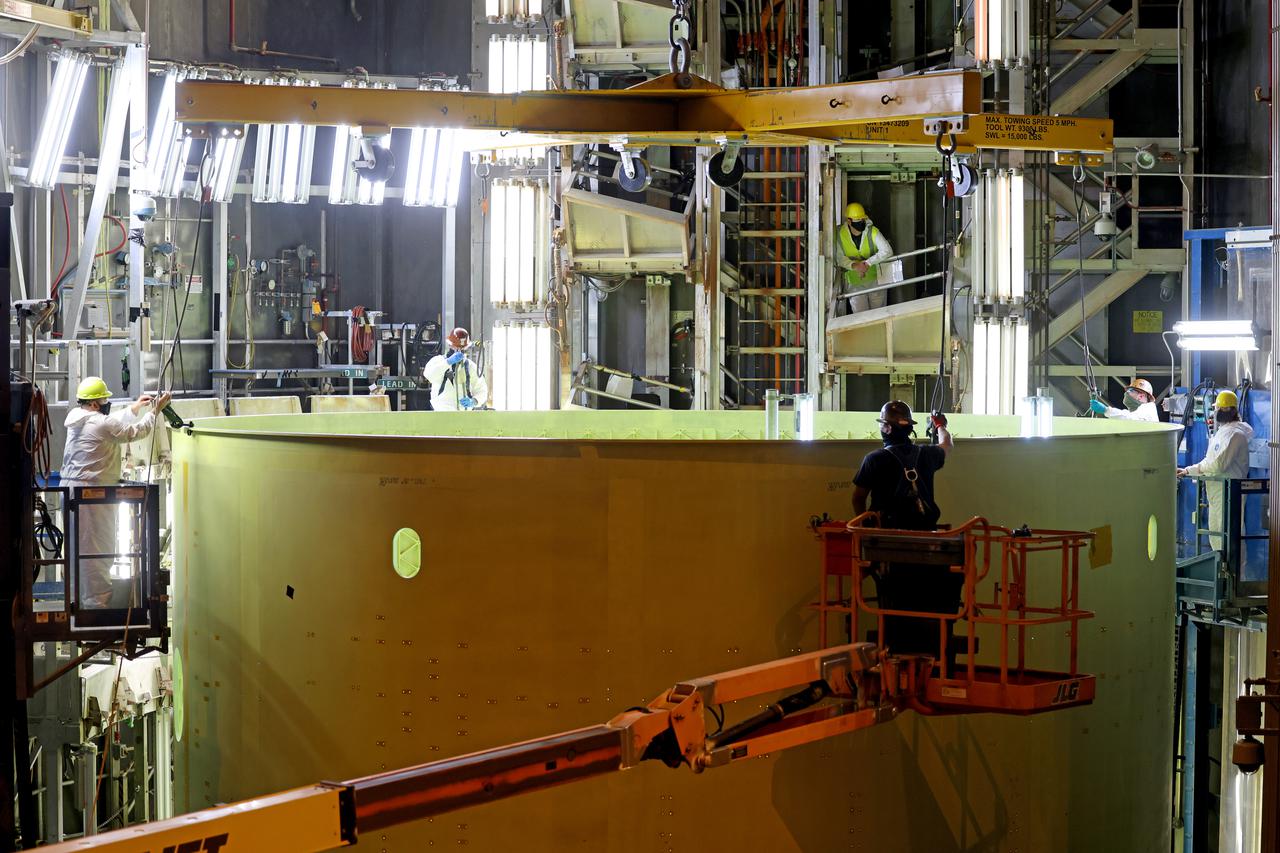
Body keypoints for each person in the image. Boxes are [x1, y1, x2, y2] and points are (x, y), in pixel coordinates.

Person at [852, 402, 958, 661]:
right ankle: (932, 652)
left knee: (892, 601)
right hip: (927, 545)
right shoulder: (927, 455)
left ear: (886, 428)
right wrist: (940, 425)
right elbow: (947, 445)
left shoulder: (874, 459)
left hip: (888, 546)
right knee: (926, 601)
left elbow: (858, 497)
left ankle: (894, 650)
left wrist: (865, 527)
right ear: (909, 428)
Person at [61, 377, 171, 608]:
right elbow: (134, 432)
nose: (106, 403)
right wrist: (156, 411)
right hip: (91, 494)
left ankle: (77, 602)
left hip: (73, 491)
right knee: (97, 549)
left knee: (78, 549)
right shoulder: (99, 423)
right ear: (94, 404)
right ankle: (96, 608)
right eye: (104, 400)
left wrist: (134, 408)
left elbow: (109, 424)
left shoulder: (77, 418)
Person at [1178, 390, 1254, 551]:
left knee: (1229, 538)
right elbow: (1210, 460)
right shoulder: (1222, 432)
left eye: (1217, 408)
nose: (1215, 411)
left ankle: (1234, 568)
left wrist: (1196, 470)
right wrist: (1188, 470)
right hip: (1218, 493)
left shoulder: (1235, 435)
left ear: (1226, 410)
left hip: (1229, 493)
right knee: (1217, 536)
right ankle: (1221, 567)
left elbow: (1219, 465)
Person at [833, 202, 895, 316]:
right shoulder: (840, 234)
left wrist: (867, 263)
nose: (861, 222)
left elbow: (887, 250)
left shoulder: (872, 231)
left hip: (876, 280)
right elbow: (839, 257)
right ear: (849, 221)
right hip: (854, 283)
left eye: (862, 219)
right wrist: (855, 266)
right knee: (861, 318)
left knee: (879, 316)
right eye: (858, 220)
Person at [423, 327, 489, 412]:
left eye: (462, 347)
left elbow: (481, 389)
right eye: (456, 347)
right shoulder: (438, 361)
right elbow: (429, 375)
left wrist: (474, 401)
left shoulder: (470, 367)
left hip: (464, 414)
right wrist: (448, 362)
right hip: (441, 413)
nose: (459, 349)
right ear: (450, 345)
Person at [1089, 378, 1159, 422]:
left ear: (1141, 396)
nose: (1126, 393)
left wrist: (1106, 410)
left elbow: (1130, 419)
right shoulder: (1138, 412)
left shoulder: (1148, 408)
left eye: (1130, 391)